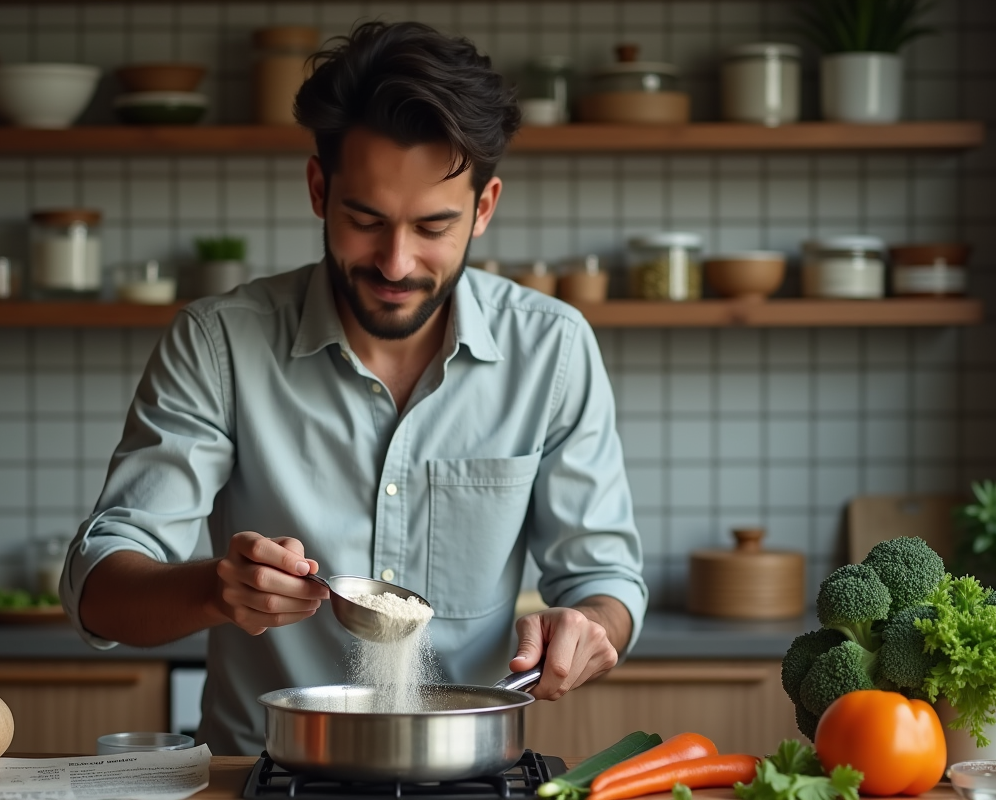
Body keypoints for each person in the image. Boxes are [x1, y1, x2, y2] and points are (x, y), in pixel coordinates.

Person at [60, 20, 646, 756]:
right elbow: (101, 588)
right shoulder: (220, 343)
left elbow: (606, 579)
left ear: (485, 208)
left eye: (434, 227)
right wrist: (218, 590)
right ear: (318, 189)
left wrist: (590, 625)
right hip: (264, 770)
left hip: (464, 770)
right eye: (366, 220)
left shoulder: (552, 350)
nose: (397, 263)